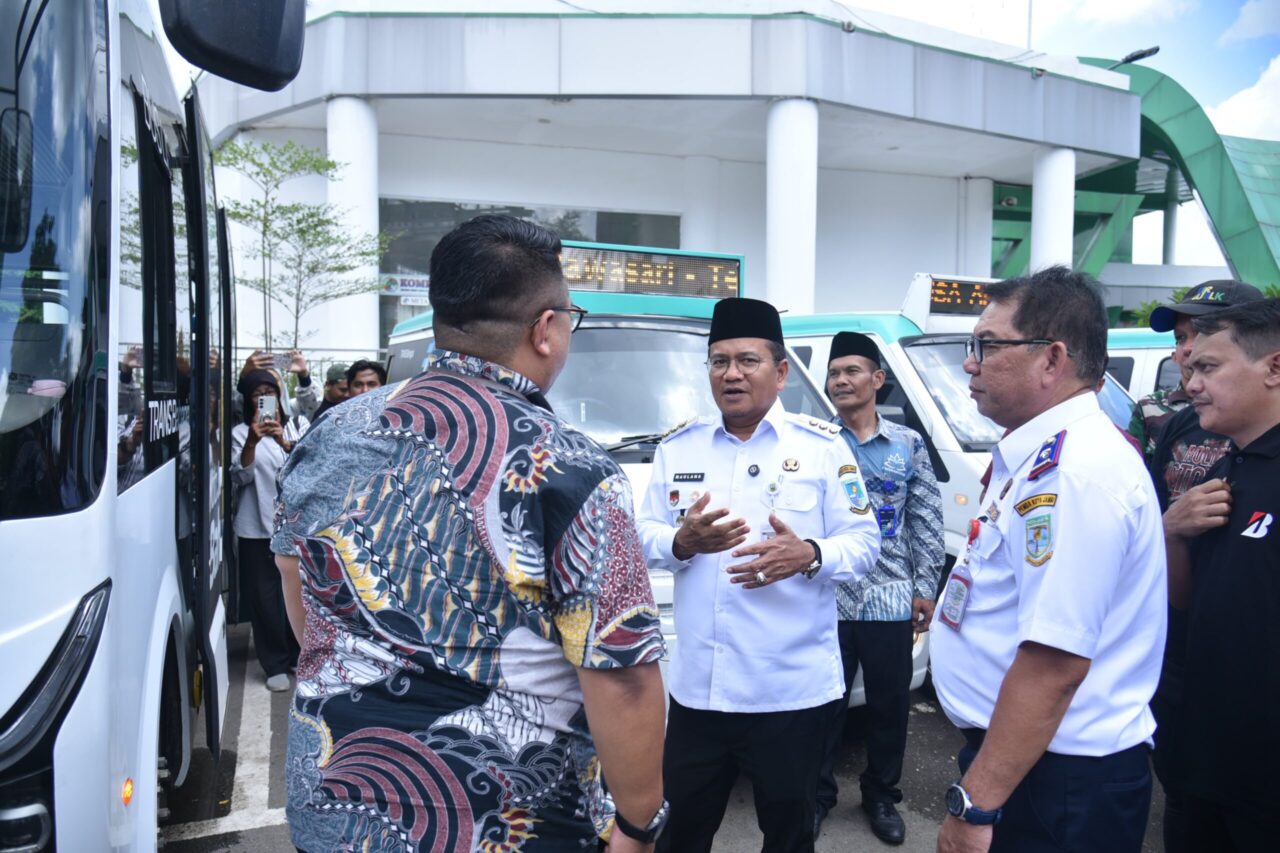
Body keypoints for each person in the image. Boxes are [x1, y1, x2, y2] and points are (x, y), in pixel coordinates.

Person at [271, 214, 668, 853]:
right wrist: (638, 824)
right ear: (545, 329)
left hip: (334, 808)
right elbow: (622, 674)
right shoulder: (571, 467)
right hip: (508, 821)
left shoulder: (333, 432)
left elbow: (299, 586)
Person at [930, 266, 1166, 853]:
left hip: (1057, 779)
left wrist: (975, 803)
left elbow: (1053, 665)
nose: (970, 365)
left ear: (1051, 359)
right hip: (1031, 760)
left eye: (987, 346)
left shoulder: (1075, 473)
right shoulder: (1043, 456)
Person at [637, 297, 881, 853]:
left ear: (781, 371)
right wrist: (680, 542)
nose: (732, 374)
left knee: (789, 837)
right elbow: (642, 534)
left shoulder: (821, 448)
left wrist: (810, 554)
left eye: (748, 360)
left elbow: (865, 542)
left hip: (789, 693)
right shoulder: (679, 448)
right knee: (679, 835)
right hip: (700, 691)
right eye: (719, 362)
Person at [1134, 279, 1262, 853]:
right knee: (1186, 806)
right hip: (1182, 662)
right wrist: (1170, 528)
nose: (1187, 355)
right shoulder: (1185, 427)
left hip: (1252, 688)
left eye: (1203, 338)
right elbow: (1153, 524)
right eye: (1183, 340)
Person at [816, 332, 944, 845]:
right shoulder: (815, 443)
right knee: (823, 704)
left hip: (890, 595)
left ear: (877, 379)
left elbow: (926, 518)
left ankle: (881, 795)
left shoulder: (907, 444)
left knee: (889, 706)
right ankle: (817, 795)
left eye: (852, 371)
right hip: (827, 596)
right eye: (834, 373)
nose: (841, 381)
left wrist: (925, 586)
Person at [1163, 299, 1280, 851]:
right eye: (1191, 370)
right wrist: (1172, 534)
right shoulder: (1224, 465)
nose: (1192, 385)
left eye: (1208, 368)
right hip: (1205, 760)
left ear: (1274, 368)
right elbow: (1189, 603)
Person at [230, 369, 305, 692]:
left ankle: (298, 654)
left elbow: (309, 470)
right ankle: (274, 662)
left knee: (298, 594)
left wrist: (284, 443)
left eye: (269, 391)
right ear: (248, 400)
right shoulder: (239, 433)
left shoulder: (298, 425)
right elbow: (240, 477)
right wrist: (252, 441)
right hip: (255, 529)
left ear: (279, 394)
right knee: (265, 599)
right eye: (256, 393)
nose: (264, 398)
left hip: (295, 526)